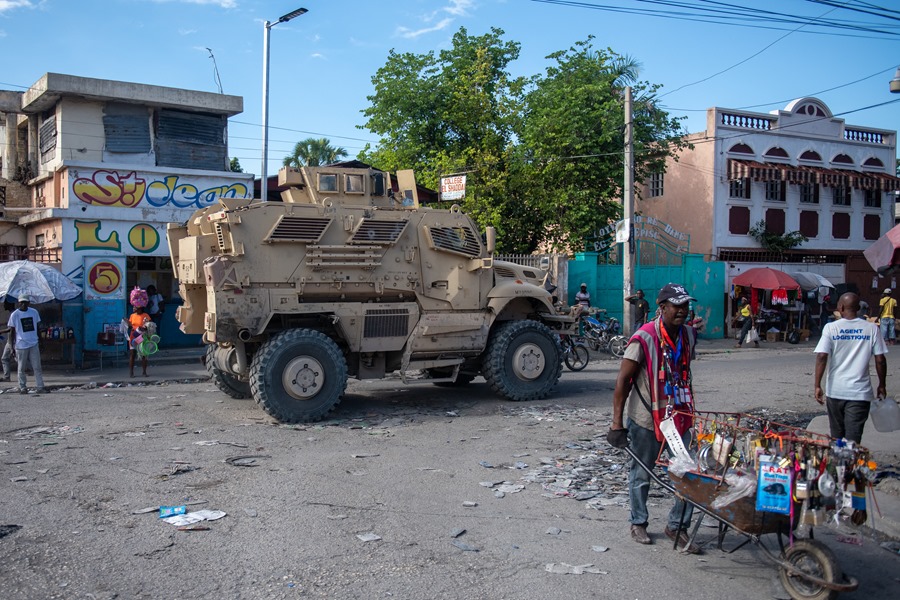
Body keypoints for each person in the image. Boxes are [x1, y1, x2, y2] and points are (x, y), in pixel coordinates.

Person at [608, 283, 701, 554]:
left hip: (680, 417)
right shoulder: (644, 337)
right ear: (662, 308)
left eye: (686, 306)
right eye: (677, 306)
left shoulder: (689, 336)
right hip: (646, 418)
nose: (683, 311)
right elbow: (623, 381)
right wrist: (617, 424)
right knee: (642, 473)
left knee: (688, 475)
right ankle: (638, 522)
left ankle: (677, 526)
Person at [814, 292, 887, 443]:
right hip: (860, 394)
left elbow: (822, 356)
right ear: (859, 308)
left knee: (837, 438)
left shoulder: (830, 328)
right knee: (853, 441)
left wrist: (817, 385)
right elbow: (880, 360)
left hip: (836, 391)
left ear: (840, 308)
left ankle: (839, 465)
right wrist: (882, 385)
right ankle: (850, 465)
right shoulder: (872, 329)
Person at [7, 295, 46, 394]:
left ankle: (40, 387)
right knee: (21, 368)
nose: (23, 304)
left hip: (33, 343)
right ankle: (23, 387)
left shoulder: (34, 312)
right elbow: (12, 332)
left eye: (25, 302)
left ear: (29, 303)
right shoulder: (14, 315)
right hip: (21, 345)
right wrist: (12, 347)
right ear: (19, 303)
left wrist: (41, 342)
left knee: (37, 366)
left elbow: (37, 328)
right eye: (22, 302)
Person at [128, 288, 152, 377]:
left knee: (143, 354)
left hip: (143, 337)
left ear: (140, 308)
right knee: (132, 354)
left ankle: (144, 372)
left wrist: (145, 326)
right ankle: (131, 372)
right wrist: (127, 323)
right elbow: (130, 326)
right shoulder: (132, 316)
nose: (134, 308)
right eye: (133, 306)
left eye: (136, 307)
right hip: (133, 336)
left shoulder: (146, 316)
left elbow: (149, 327)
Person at [1, 299, 16, 382]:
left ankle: (31, 370)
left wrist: (1, 331)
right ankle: (7, 377)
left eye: (5, 304)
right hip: (10, 340)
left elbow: (11, 329)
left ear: (10, 304)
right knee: (5, 358)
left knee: (19, 359)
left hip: (13, 340)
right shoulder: (12, 313)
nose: (4, 306)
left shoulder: (13, 314)